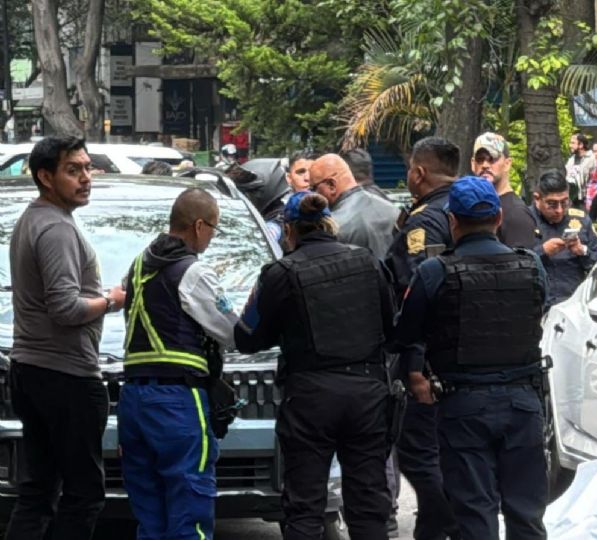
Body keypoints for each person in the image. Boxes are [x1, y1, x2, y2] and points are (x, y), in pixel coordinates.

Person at [393, 176, 548, 540]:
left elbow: (405, 335)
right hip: (523, 403)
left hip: (463, 406)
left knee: (474, 512)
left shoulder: (434, 272)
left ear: (452, 222)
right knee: (526, 512)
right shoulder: (531, 266)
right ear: (497, 219)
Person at [235, 191, 395, 539]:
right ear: (328, 224)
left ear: (289, 230)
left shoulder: (279, 273)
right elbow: (390, 327)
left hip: (310, 397)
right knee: (368, 504)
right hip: (367, 393)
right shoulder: (367, 262)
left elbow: (247, 338)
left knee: (305, 506)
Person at [6, 136, 126, 538]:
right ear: (45, 177)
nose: (86, 178)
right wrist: (110, 299)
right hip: (65, 376)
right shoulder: (54, 228)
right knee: (83, 493)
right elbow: (66, 309)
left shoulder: (34, 219)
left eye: (88, 168)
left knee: (38, 490)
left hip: (33, 370)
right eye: (73, 170)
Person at [119, 188, 238, 540]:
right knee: (190, 507)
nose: (212, 238)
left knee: (149, 514)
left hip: (133, 402)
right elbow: (231, 330)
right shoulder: (194, 273)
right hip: (178, 403)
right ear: (199, 226)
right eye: (213, 229)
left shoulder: (139, 264)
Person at [384, 136, 461, 540]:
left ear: (418, 172)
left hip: (428, 361)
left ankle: (450, 520)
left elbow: (418, 295)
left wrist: (414, 366)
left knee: (417, 452)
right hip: (463, 355)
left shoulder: (425, 220)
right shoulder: (471, 209)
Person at [531, 170, 597, 307]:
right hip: (536, 305)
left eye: (564, 203)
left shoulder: (580, 220)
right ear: (537, 198)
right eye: (552, 204)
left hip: (573, 304)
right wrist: (541, 252)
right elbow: (513, 262)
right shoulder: (524, 219)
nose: (559, 210)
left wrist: (582, 251)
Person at [310, 153, 399, 259]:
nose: (311, 194)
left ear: (331, 185)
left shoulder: (332, 226)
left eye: (313, 188)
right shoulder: (393, 210)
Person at [470, 132, 537, 249]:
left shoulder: (516, 213)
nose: (485, 165)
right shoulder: (471, 205)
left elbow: (523, 264)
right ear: (472, 164)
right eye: (480, 160)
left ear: (507, 163)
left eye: (492, 159)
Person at [564, 133, 595, 207]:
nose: (570, 145)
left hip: (586, 198)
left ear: (581, 145)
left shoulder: (592, 158)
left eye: (573, 143)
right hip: (572, 197)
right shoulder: (571, 159)